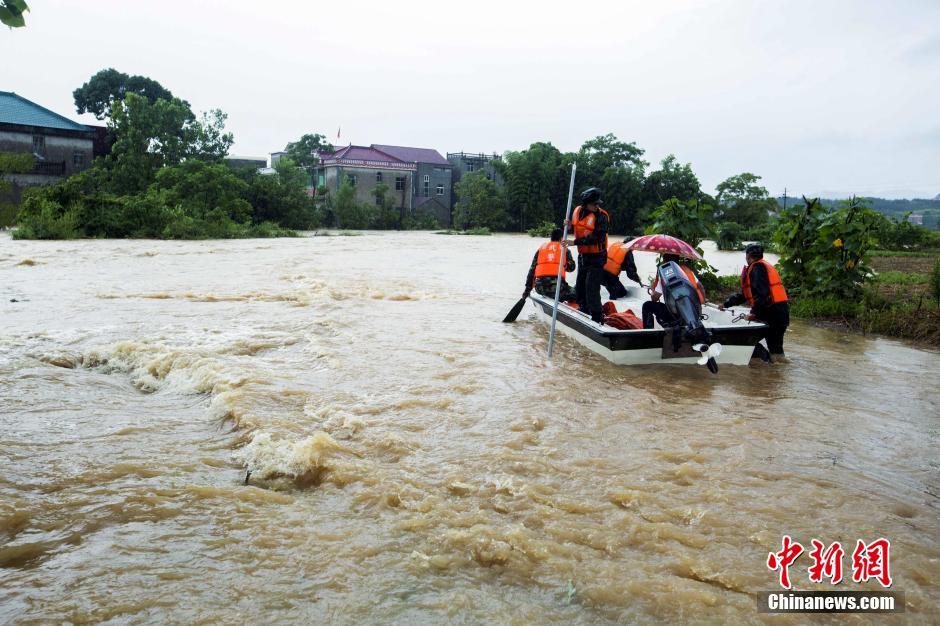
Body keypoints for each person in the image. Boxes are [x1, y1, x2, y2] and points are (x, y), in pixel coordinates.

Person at [720, 243, 790, 359]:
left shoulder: (757, 268)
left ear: (748, 256)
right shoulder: (761, 266)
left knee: (773, 347)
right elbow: (745, 295)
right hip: (777, 312)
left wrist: (754, 313)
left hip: (773, 314)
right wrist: (726, 304)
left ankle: (773, 367)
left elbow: (761, 294)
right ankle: (773, 368)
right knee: (774, 348)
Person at [566, 187, 610, 324]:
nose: (597, 206)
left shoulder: (602, 217)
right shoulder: (578, 211)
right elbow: (577, 227)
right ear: (586, 204)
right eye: (594, 204)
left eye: (598, 204)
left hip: (597, 257)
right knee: (580, 287)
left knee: (591, 288)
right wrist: (568, 226)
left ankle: (597, 318)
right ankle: (584, 311)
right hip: (583, 257)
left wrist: (575, 242)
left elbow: (596, 238)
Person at [641, 254, 706, 329]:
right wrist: (703, 301)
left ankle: (648, 334)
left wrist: (653, 290)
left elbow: (655, 298)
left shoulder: (666, 273)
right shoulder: (687, 270)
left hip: (676, 316)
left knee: (647, 305)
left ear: (665, 261)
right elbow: (701, 287)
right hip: (695, 313)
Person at [523, 228, 576, 301]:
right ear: (561, 238)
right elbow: (572, 268)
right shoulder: (565, 250)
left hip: (539, 288)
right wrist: (565, 265)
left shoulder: (541, 249)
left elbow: (532, 271)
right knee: (578, 294)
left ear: (551, 238)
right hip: (557, 289)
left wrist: (527, 290)